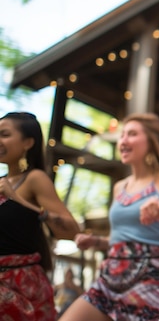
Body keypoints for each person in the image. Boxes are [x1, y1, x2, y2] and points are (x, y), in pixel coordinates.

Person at [59, 112, 159, 321]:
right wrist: (97, 241)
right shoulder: (120, 187)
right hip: (112, 275)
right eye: (122, 135)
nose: (123, 140)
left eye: (132, 134)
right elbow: (123, 240)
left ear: (151, 141)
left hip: (155, 279)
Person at [0, 111, 81, 321]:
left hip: (22, 287)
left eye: (4, 134)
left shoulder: (34, 178)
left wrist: (18, 199)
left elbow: (72, 231)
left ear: (27, 142)